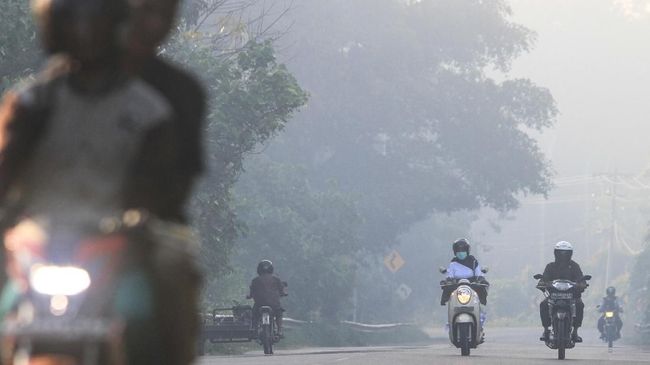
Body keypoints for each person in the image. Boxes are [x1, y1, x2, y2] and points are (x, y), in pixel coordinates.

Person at [0, 0, 203, 363]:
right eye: (73, 22)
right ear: (55, 29)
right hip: (36, 239)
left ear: (117, 28)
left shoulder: (148, 111)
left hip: (117, 239)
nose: (84, 33)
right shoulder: (32, 104)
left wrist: (141, 214)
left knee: (172, 270)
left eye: (96, 23)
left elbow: (162, 183)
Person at [538, 241, 587, 343]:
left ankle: (575, 331)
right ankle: (546, 330)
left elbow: (581, 278)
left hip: (571, 296)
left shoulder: (574, 266)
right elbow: (544, 279)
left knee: (579, 305)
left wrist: (582, 283)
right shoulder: (550, 266)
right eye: (560, 253)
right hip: (553, 296)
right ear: (556, 253)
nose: (563, 255)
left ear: (570, 254)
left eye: (566, 253)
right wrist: (542, 282)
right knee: (543, 304)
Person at [440, 238, 489, 306]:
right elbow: (449, 276)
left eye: (463, 251)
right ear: (455, 252)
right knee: (446, 288)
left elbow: (479, 274)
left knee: (482, 288)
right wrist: (447, 281)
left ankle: (482, 305)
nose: (460, 253)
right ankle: (444, 303)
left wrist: (481, 279)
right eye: (458, 251)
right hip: (456, 285)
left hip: (472, 285)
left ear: (467, 251)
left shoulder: (473, 261)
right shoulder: (453, 263)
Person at [249, 260, 287, 337]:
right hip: (274, 304)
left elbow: (251, 293)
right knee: (279, 313)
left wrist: (249, 296)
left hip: (259, 304)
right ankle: (279, 330)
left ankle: (255, 329)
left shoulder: (255, 280)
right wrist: (283, 294)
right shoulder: (276, 279)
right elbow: (281, 291)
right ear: (271, 269)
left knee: (254, 315)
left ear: (259, 269)